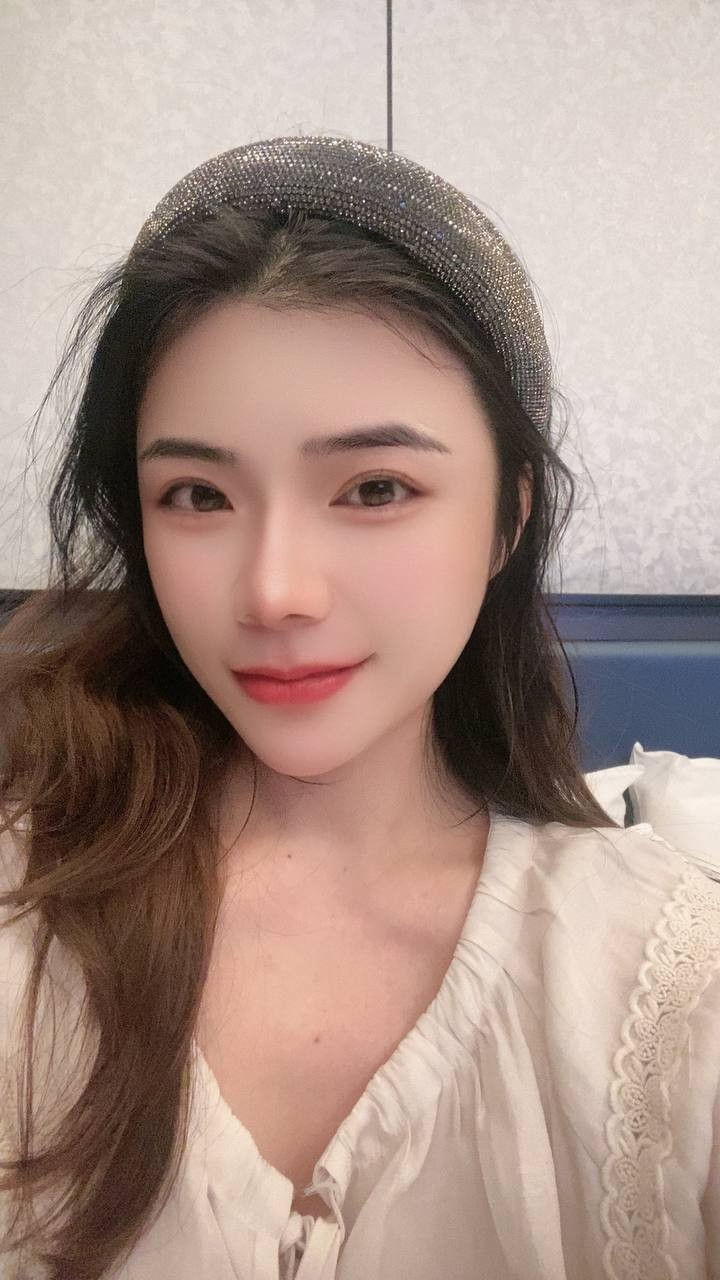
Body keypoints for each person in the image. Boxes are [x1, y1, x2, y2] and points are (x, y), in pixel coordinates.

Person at [0, 136, 718, 1280]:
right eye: (197, 494)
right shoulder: (28, 910)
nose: (274, 591)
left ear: (508, 515)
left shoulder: (668, 986)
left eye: (375, 487)